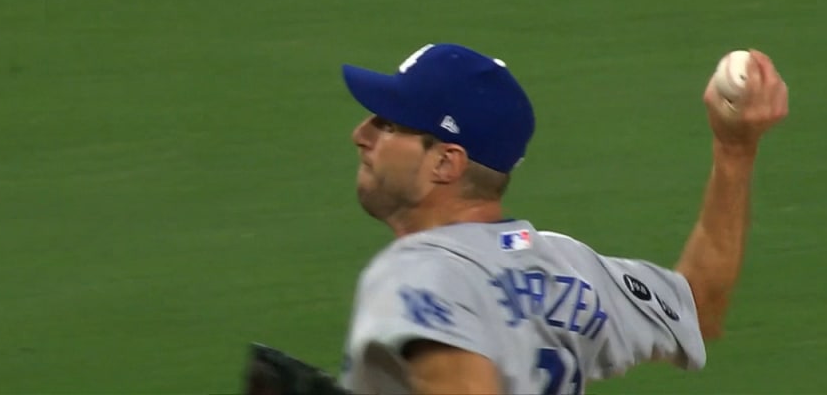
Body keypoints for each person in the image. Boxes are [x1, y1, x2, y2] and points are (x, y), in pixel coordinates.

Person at [245, 42, 789, 395]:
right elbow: (699, 304)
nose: (360, 134)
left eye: (388, 125)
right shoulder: (563, 265)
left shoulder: (415, 273)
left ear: (445, 163)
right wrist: (735, 151)